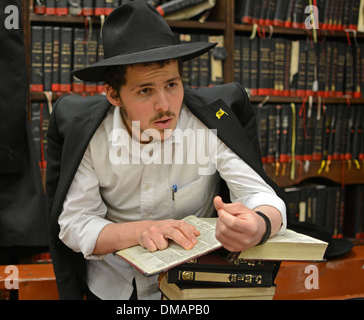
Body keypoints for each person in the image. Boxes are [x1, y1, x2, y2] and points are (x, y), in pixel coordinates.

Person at [46, 0, 287, 300]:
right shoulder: (91, 136)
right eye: (145, 90)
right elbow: (74, 224)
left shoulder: (207, 125)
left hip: (196, 286)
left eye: (172, 85)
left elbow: (260, 195)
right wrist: (140, 231)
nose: (164, 105)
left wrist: (260, 224)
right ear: (113, 94)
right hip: (115, 288)